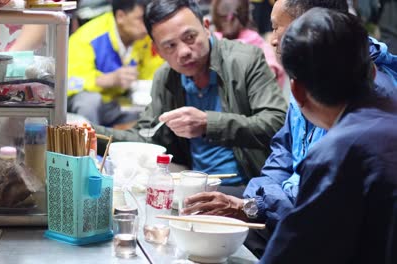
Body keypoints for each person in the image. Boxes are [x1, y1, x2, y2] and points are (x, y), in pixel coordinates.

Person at [183, 0, 397, 258]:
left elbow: (307, 229)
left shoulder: (343, 145)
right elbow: (282, 152)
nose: (272, 40)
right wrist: (256, 204)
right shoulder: (345, 75)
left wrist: (252, 206)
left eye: (277, 28)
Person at [95, 0, 287, 188]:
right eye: (170, 46)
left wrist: (207, 124)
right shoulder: (166, 77)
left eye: (190, 37)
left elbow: (276, 122)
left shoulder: (245, 60)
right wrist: (93, 135)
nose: (184, 51)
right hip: (192, 186)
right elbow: (148, 137)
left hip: (248, 185)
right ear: (158, 51)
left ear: (206, 27)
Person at [260, 8, 397, 263]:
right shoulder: (387, 108)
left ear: (296, 90)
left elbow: (294, 251)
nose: (273, 38)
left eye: (278, 27)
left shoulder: (339, 151)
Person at [68, 0, 164, 127]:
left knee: (156, 108)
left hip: (121, 103)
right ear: (120, 17)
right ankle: (89, 142)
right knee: (89, 101)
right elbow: (70, 83)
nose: (146, 26)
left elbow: (154, 72)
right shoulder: (86, 37)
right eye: (141, 19)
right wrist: (107, 80)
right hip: (92, 104)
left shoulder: (145, 37)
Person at [211, 0, 286, 86]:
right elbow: (274, 74)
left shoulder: (210, 44)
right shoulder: (258, 43)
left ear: (215, 18)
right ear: (247, 15)